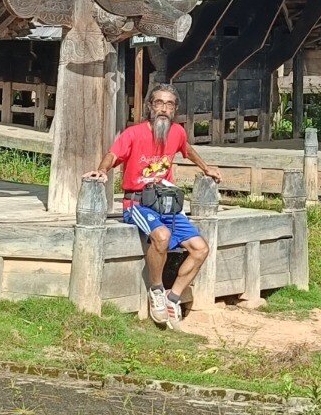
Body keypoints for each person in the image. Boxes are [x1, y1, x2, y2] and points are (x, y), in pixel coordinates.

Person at [84, 84, 222, 328]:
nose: (163, 109)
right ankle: (156, 289)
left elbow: (187, 150)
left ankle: (173, 297)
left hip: (167, 204)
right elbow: (113, 155)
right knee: (161, 236)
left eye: (169, 105)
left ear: (175, 110)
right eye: (159, 103)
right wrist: (102, 170)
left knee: (200, 249)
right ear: (150, 106)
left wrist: (205, 167)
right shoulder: (134, 133)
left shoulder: (177, 132)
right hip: (138, 202)